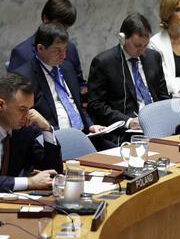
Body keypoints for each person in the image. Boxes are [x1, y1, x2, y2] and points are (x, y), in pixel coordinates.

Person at [12, 22, 114, 151]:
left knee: (122, 156)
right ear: (40, 48)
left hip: (85, 136)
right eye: (57, 51)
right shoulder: (24, 77)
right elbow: (26, 120)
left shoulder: (67, 68)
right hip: (55, 141)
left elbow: (78, 106)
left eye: (65, 50)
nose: (63, 56)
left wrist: (90, 126)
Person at [88, 12, 170, 143]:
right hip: (126, 133)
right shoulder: (104, 63)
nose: (142, 51)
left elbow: (163, 95)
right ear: (122, 38)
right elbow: (96, 106)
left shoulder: (153, 57)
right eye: (137, 45)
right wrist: (128, 121)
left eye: (145, 45)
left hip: (159, 125)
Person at [0, 73, 62, 192]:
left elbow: (53, 171)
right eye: (22, 109)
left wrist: (47, 129)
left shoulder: (24, 130)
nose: (29, 115)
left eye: (30, 108)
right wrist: (29, 182)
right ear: (1, 105)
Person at [8, 0, 86, 88]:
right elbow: (14, 93)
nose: (62, 31)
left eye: (66, 28)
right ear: (46, 19)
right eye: (59, 25)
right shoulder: (22, 53)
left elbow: (79, 83)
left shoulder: (70, 48)